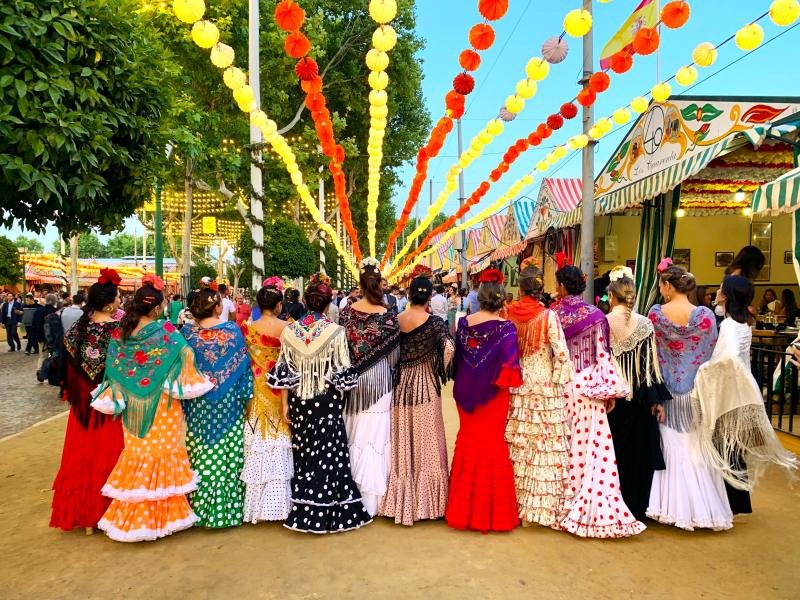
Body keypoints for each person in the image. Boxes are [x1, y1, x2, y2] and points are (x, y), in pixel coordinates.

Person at [90, 274, 214, 542]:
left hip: (131, 403)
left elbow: (113, 366)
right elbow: (187, 355)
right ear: (158, 307)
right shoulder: (167, 332)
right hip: (163, 402)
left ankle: (133, 519)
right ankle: (163, 517)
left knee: (137, 451)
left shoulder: (121, 332)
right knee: (164, 452)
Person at [268, 274, 372, 533]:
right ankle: (330, 508)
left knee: (305, 453)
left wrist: (284, 405)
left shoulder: (290, 331)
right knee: (330, 453)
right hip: (326, 401)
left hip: (300, 400)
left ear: (305, 302)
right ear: (328, 305)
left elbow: (284, 371)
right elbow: (342, 374)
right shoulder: (336, 332)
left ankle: (305, 506)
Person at [550, 256, 643, 538]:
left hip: (561, 387)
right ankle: (590, 501)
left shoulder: (552, 314)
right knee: (590, 452)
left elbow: (550, 354)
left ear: (563, 287)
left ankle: (558, 503)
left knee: (562, 447)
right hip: (589, 390)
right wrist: (609, 391)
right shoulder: (596, 315)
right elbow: (603, 356)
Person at [693, 275, 797, 510]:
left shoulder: (730, 325)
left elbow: (728, 357)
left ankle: (727, 503)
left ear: (727, 295)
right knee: (733, 448)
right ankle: (737, 502)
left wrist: (705, 368)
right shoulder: (744, 323)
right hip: (740, 391)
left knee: (724, 448)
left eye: (720, 288)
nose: (717, 291)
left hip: (729, 393)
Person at [647, 259, 732, 531]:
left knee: (671, 446)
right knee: (696, 447)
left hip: (668, 392)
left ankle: (669, 507)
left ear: (669, 286)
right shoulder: (706, 316)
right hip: (696, 393)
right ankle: (703, 509)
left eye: (661, 286)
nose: (660, 291)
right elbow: (711, 355)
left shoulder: (656, 315)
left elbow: (653, 355)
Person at [446, 269, 521, 532]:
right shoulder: (506, 328)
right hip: (494, 395)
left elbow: (459, 359)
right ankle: (490, 515)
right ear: (501, 300)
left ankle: (461, 510)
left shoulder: (465, 323)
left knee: (468, 443)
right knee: (491, 446)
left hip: (465, 393)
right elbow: (510, 366)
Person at [50, 269, 124, 534]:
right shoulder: (119, 332)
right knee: (111, 455)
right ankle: (108, 512)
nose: (120, 302)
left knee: (81, 456)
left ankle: (84, 515)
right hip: (110, 404)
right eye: (117, 297)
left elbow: (67, 374)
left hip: (82, 410)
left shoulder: (76, 331)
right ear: (108, 303)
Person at [381, 276, 454, 526]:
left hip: (400, 387)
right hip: (425, 387)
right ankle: (428, 503)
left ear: (409, 295)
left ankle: (404, 500)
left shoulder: (395, 320)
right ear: (430, 296)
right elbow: (449, 349)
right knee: (428, 441)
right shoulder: (434, 323)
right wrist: (438, 368)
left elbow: (387, 354)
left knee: (405, 438)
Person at [505, 265, 573, 528]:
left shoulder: (509, 313)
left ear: (520, 288)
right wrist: (559, 379)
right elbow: (561, 353)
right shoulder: (548, 316)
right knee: (544, 443)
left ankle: (517, 504)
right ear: (539, 289)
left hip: (517, 385)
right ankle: (543, 510)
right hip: (544, 385)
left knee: (520, 443)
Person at [181, 284, 253, 529]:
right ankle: (227, 509)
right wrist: (246, 396)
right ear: (218, 307)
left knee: (200, 448)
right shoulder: (232, 331)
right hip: (229, 400)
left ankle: (199, 506)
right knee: (228, 451)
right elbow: (244, 367)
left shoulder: (187, 335)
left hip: (198, 401)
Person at [605, 266, 669, 521]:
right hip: (641, 400)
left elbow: (602, 363)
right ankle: (638, 507)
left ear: (611, 296)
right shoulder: (645, 324)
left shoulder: (604, 322)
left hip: (614, 400)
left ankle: (615, 505)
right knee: (639, 454)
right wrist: (656, 401)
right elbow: (651, 367)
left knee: (616, 452)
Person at [339, 259, 400, 516]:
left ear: (360, 286)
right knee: (377, 434)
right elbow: (395, 353)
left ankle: (354, 493)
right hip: (380, 380)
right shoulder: (388, 315)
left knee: (355, 430)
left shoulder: (347, 313)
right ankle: (376, 499)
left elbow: (342, 347)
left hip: (354, 379)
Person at [240, 278, 293, 523]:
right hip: (280, 389)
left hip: (257, 387)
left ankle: (256, 504)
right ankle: (278, 504)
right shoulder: (288, 328)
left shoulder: (247, 329)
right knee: (279, 443)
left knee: (259, 442)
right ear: (279, 304)